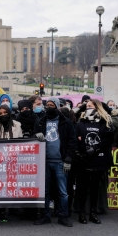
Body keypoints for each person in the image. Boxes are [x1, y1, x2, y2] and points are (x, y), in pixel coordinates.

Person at [34, 97, 77, 227]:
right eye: (47, 105)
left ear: (57, 106)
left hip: (60, 162)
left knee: (63, 192)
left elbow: (72, 142)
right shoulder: (40, 121)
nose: (48, 107)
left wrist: (68, 159)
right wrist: (36, 135)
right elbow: (33, 136)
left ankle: (63, 216)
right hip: (44, 162)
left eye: (52, 105)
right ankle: (45, 215)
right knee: (45, 191)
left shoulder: (66, 122)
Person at [76, 99, 114, 225]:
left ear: (97, 107)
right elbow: (77, 137)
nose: (88, 108)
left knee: (95, 188)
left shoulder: (105, 122)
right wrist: (84, 149)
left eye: (91, 106)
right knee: (82, 187)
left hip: (99, 159)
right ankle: (81, 212)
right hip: (84, 159)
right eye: (87, 106)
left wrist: (95, 148)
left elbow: (107, 139)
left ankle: (93, 212)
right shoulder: (81, 121)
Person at [0, 104, 22, 223]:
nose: (3, 115)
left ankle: (3, 211)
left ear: (9, 113)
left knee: (7, 186)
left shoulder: (17, 125)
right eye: (0, 113)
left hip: (11, 160)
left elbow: (21, 142)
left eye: (5, 113)